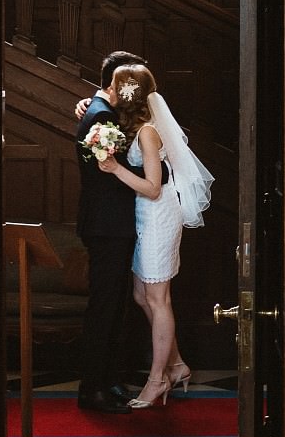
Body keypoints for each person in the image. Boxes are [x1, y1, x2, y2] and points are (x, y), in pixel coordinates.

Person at [97, 64, 213, 408]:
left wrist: (116, 168)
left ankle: (157, 378)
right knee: (140, 295)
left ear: (129, 92)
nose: (111, 91)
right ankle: (176, 365)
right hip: (144, 217)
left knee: (158, 298)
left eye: (116, 87)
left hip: (158, 215)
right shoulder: (131, 124)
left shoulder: (147, 132)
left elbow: (150, 187)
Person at [73, 50, 147, 414]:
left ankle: (107, 379)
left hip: (111, 224)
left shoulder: (101, 111)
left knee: (114, 305)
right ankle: (92, 388)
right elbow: (105, 173)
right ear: (119, 82)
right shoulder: (99, 115)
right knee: (103, 308)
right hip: (107, 226)